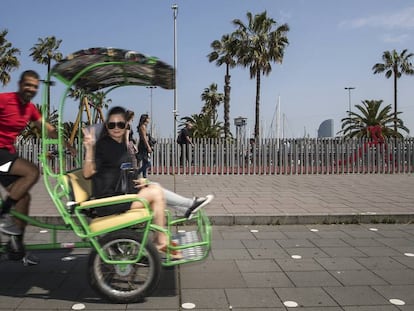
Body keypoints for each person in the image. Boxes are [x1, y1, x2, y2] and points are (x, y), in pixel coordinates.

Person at [82, 107, 212, 257]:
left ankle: (176, 220)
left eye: (121, 125)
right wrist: (90, 148)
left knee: (154, 186)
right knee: (155, 193)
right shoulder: (102, 147)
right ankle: (162, 239)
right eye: (112, 125)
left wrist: (137, 181)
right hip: (108, 202)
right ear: (107, 127)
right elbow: (87, 173)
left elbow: (120, 173)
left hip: (119, 195)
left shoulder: (117, 146)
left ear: (126, 126)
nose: (116, 129)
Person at [0, 70, 72, 265]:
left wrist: (66, 144)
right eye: (28, 85)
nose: (31, 89)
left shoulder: (30, 108)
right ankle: (4, 213)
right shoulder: (5, 100)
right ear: (20, 84)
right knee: (31, 171)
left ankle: (17, 246)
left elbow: (46, 127)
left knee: (24, 197)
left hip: (6, 157)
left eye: (34, 86)